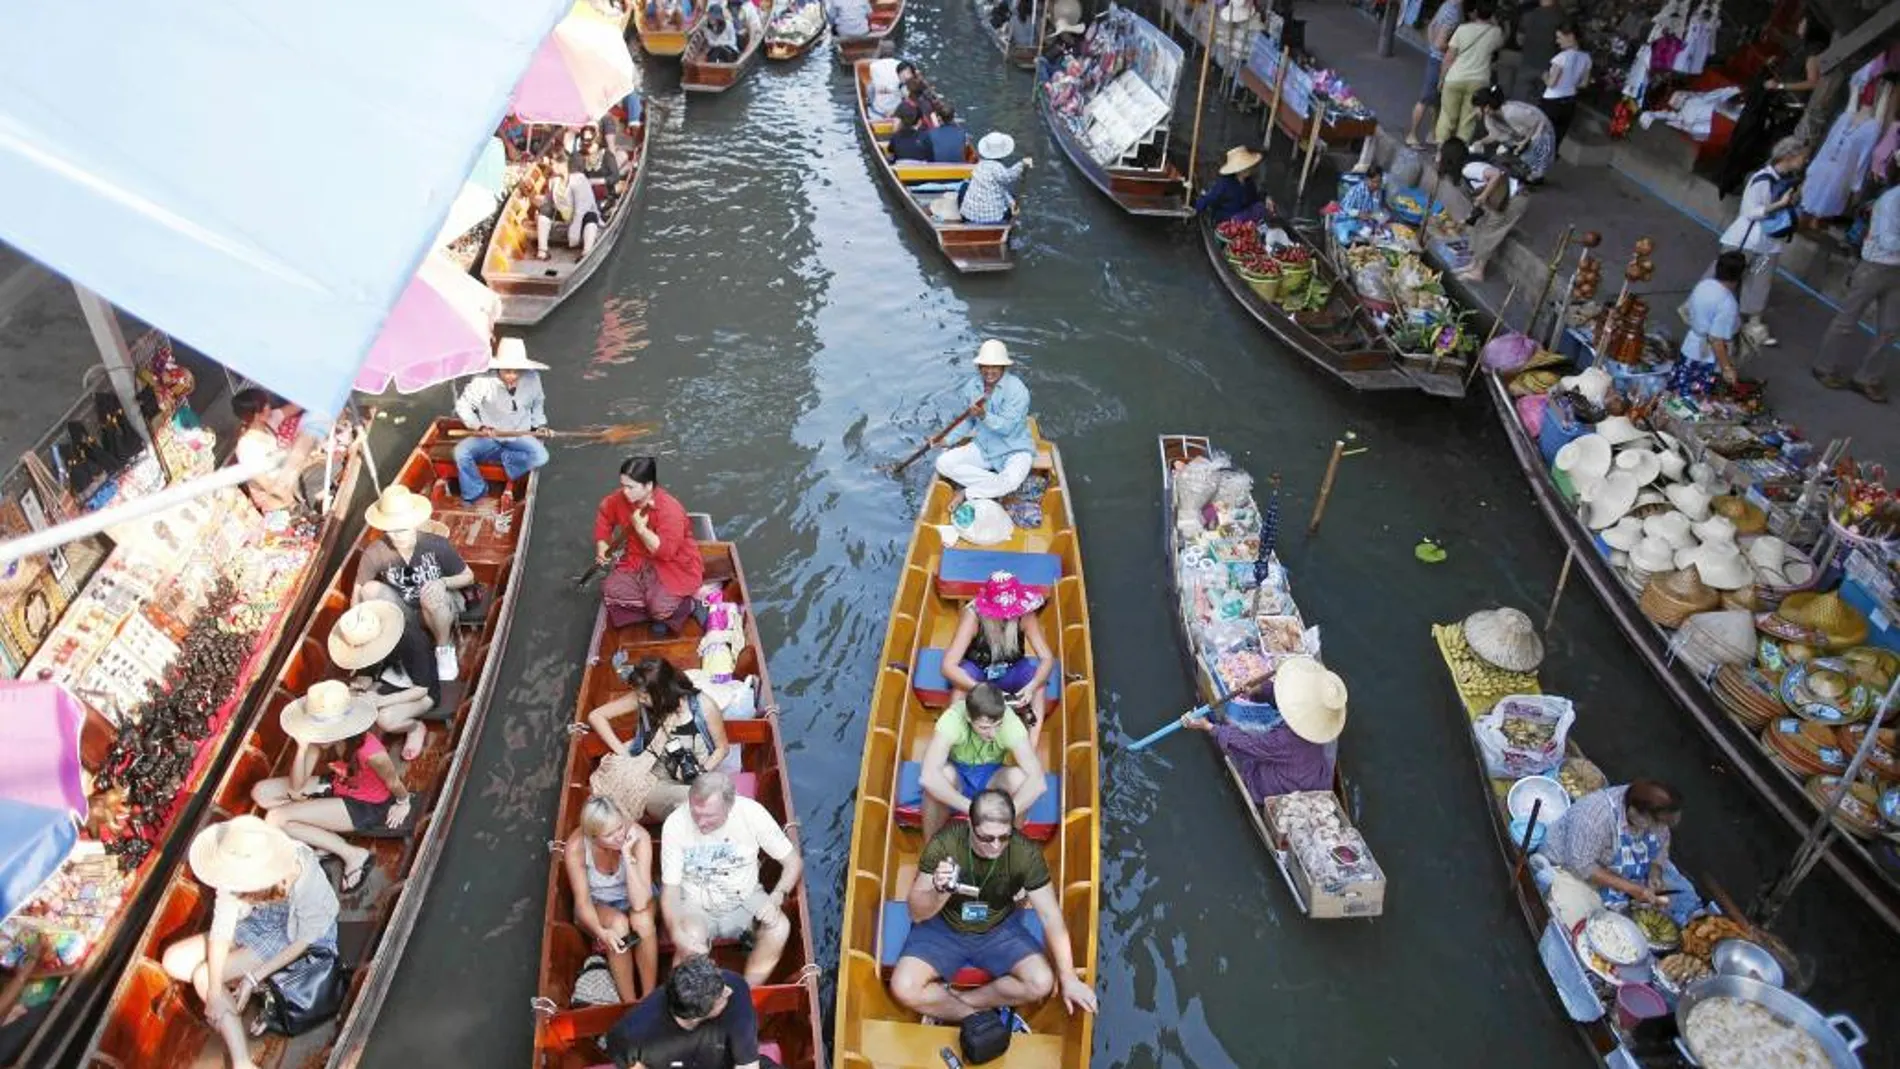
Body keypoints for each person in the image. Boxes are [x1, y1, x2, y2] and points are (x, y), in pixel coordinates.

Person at [889, 790, 1097, 1027]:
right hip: (943, 926)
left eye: (1004, 837)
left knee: (1041, 981)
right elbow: (916, 912)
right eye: (986, 838)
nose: (995, 846)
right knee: (903, 986)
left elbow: (1050, 916)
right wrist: (940, 891)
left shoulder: (1025, 854)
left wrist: (1068, 977)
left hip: (997, 928)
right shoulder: (944, 844)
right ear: (970, 824)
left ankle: (956, 1003)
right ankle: (975, 1018)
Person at [161, 816, 339, 1069]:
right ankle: (233, 993)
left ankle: (243, 1062)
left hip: (291, 934)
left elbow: (304, 939)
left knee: (202, 976)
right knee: (174, 961)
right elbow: (222, 929)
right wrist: (214, 990)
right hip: (256, 921)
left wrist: (252, 977)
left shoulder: (302, 870)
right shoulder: (232, 871)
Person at [249, 680, 413, 894]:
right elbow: (296, 785)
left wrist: (403, 801)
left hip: (367, 805)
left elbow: (393, 781)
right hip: (338, 786)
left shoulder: (370, 751)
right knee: (261, 793)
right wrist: (302, 748)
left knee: (275, 819)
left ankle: (352, 854)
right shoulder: (321, 742)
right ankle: (320, 838)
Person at [660, 772, 803, 987]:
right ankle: (690, 1003)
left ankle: (747, 992)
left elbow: (793, 862)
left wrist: (776, 897)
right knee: (690, 937)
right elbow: (670, 890)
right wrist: (676, 933)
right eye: (695, 813)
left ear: (730, 806)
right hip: (696, 903)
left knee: (779, 927)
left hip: (745, 896)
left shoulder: (752, 813)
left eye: (709, 816)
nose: (700, 822)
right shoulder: (675, 823)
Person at [1177, 656, 1344, 801]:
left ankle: (1261, 800)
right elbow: (1284, 697)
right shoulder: (1318, 717)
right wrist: (1257, 690)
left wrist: (1209, 727)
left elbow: (1251, 745)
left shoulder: (1285, 740)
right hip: (1315, 776)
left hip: (1287, 787)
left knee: (1241, 750)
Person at [354, 484, 475, 681]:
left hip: (439, 604)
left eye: (402, 529)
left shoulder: (437, 544)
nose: (396, 535)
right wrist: (357, 619)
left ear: (414, 524)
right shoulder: (375, 551)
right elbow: (359, 588)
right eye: (390, 530)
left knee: (431, 595)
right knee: (369, 590)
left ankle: (443, 648)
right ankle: (403, 646)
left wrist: (442, 583)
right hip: (406, 610)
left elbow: (468, 576)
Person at [588, 655, 731, 821]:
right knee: (693, 801)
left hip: (691, 774)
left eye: (644, 696)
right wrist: (623, 753)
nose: (640, 699)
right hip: (652, 776)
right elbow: (596, 716)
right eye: (639, 695)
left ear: (662, 692)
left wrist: (702, 771)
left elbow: (722, 748)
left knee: (705, 800)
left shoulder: (703, 706)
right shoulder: (642, 696)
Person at [1813, 155, 1900, 404]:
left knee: (1890, 329)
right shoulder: (1892, 201)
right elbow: (1888, 241)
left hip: (1896, 271)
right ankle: (1824, 366)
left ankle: (1867, 377)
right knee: (1847, 319)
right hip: (1875, 266)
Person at [1716, 15, 1829, 198]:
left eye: (1803, 21)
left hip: (1788, 110)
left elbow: (1813, 82)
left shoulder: (1813, 54)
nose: (1800, 23)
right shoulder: (1801, 48)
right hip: (1777, 103)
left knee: (1766, 147)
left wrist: (1782, 86)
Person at [919, 683, 1046, 840]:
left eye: (997, 725)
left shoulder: (1010, 723)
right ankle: (931, 849)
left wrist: (1008, 812)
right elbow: (928, 776)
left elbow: (1038, 781)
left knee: (1020, 779)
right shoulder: (952, 719)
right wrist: (972, 809)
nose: (993, 733)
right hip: (958, 776)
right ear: (968, 718)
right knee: (941, 776)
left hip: (991, 777)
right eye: (985, 727)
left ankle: (1007, 843)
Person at [603, 954, 776, 1069]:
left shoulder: (735, 986)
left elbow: (747, 1066)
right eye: (721, 997)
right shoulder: (629, 1035)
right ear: (697, 1015)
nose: (728, 992)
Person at [596, 455, 707, 634]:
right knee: (610, 590)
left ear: (648, 486)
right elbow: (605, 514)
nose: (625, 491)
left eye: (630, 487)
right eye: (623, 485)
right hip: (637, 561)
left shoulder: (670, 510)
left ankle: (687, 606)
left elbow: (666, 552)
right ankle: (663, 611)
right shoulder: (620, 499)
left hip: (672, 567)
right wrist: (602, 544)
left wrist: (641, 530)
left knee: (659, 608)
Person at [1717, 135, 1810, 347]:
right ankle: (1709, 313)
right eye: (1802, 157)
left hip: (1768, 246)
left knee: (1759, 282)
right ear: (1789, 156)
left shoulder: (1787, 182)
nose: (1804, 161)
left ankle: (1754, 323)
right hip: (1746, 241)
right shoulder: (1761, 179)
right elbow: (1749, 211)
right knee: (1725, 279)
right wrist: (1779, 205)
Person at [941, 571, 1056, 741]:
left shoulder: (1025, 615)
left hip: (1012, 668)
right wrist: (981, 691)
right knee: (959, 689)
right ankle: (954, 738)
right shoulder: (973, 616)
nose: (1007, 616)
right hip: (979, 671)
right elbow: (948, 666)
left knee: (1039, 685)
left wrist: (1031, 686)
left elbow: (1047, 658)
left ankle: (1032, 742)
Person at [565, 796, 659, 1002]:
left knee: (641, 920)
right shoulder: (576, 847)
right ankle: (629, 1002)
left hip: (637, 896)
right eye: (609, 834)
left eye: (620, 828)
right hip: (599, 904)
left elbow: (640, 902)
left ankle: (649, 996)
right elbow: (582, 902)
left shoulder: (638, 837)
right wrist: (601, 933)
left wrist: (626, 854)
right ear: (593, 837)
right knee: (618, 925)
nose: (619, 836)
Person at [1541, 779, 1686, 908]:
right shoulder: (1594, 817)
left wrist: (1655, 872)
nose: (1662, 829)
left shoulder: (1656, 814)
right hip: (1569, 866)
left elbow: (1663, 840)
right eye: (1657, 824)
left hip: (1614, 868)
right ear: (1635, 814)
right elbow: (1582, 866)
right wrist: (1633, 889)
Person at [451, 338, 551, 508]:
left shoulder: (533, 378)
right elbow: (464, 405)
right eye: (507, 371)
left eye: (517, 371)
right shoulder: (482, 381)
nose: (512, 376)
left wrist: (540, 425)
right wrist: (479, 426)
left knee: (541, 456)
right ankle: (476, 490)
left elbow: (538, 403)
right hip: (490, 434)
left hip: (519, 433)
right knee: (460, 452)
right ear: (498, 367)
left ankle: (507, 459)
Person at [934, 339, 1034, 504]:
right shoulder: (972, 386)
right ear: (979, 367)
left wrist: (983, 416)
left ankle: (968, 492)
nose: (989, 371)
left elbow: (1007, 428)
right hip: (983, 446)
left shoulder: (1018, 390)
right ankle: (998, 487)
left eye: (994, 366)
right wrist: (946, 440)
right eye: (985, 366)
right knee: (943, 463)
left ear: (1003, 367)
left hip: (1015, 449)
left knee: (1011, 480)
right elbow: (968, 421)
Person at [327, 601, 441, 733]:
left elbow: (421, 690)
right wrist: (362, 682)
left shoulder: (413, 641)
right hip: (391, 679)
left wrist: (381, 701)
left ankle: (415, 728)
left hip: (422, 692)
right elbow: (369, 669)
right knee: (354, 700)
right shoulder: (370, 645)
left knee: (385, 719)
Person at [1441, 137, 1528, 283]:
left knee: (1490, 231)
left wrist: (1483, 196)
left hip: (1513, 199)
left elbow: (1496, 174)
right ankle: (1473, 265)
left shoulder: (1468, 169)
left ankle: (1479, 271)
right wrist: (1469, 218)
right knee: (1480, 226)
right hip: (1501, 199)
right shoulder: (1467, 169)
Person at [230, 390, 331, 516]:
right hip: (279, 501)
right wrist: (294, 502)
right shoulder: (247, 447)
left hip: (291, 480)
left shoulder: (268, 421)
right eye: (265, 405)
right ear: (257, 415)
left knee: (328, 468)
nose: (269, 406)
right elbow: (267, 484)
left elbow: (294, 408)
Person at [1674, 251, 1746, 396]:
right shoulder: (1728, 303)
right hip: (1704, 357)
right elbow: (1716, 340)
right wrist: (1727, 368)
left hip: (1690, 344)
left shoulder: (1704, 284)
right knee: (1695, 396)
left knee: (1679, 387)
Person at [1435, 1, 1503, 145]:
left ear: (1475, 12)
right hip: (1479, 82)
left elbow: (1449, 57)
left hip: (1455, 78)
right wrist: (1493, 19)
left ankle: (1441, 151)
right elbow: (1501, 42)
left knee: (1447, 117)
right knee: (1468, 122)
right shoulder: (1496, 33)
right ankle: (1459, 152)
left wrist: (1441, 79)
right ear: (1492, 14)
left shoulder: (1462, 29)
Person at [1404, 0, 1463, 147]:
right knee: (1426, 99)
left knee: (1436, 102)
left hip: (1435, 58)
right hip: (1440, 62)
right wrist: (1455, 50)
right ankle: (1412, 134)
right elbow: (1440, 43)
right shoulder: (1454, 12)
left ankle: (1432, 133)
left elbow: (1431, 27)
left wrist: (1432, 49)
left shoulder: (1446, 5)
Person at [1470, 86, 1556, 182]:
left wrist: (1524, 142)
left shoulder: (1511, 112)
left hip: (1541, 131)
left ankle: (1534, 174)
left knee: (1530, 174)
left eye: (1476, 107)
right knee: (1508, 154)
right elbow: (1494, 135)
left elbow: (1535, 122)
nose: (1474, 111)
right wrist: (1481, 142)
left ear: (1486, 107)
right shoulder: (1489, 117)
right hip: (1524, 133)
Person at [958, 132, 1033, 226]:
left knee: (964, 186)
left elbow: (1001, 187)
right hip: (993, 219)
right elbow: (1010, 176)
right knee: (1011, 196)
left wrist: (1011, 203)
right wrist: (1022, 164)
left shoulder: (979, 165)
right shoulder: (997, 168)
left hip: (969, 216)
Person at [1539, 24, 1592, 150]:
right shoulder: (1586, 57)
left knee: (1541, 134)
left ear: (1571, 37)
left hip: (1552, 101)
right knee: (1557, 137)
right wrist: (1571, 83)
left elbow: (1552, 83)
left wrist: (1545, 76)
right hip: (1569, 102)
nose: (1557, 41)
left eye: (1559, 37)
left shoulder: (1561, 57)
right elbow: (1584, 83)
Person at [1193, 146, 1268, 224]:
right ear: (1238, 170)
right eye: (1245, 167)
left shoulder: (1249, 182)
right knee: (1240, 217)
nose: (1249, 169)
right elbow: (1209, 198)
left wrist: (1265, 200)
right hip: (1229, 218)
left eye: (1248, 166)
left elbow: (1254, 199)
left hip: (1246, 214)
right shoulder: (1224, 183)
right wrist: (1196, 209)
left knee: (1260, 207)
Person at [1512, 0, 1563, 103]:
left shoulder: (1529, 15)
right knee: (1540, 103)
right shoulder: (1562, 17)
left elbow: (1519, 40)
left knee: (1518, 102)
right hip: (1548, 68)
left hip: (1527, 63)